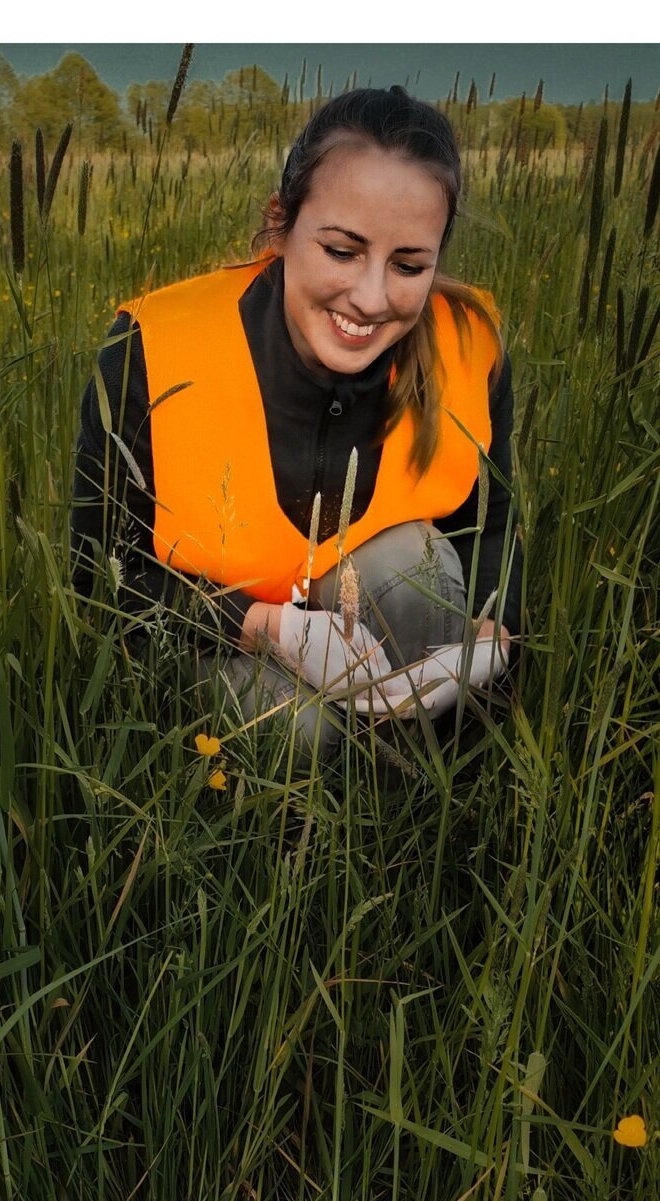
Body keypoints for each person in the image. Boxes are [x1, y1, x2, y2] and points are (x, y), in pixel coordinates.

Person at [70, 86, 520, 755]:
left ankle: (420, 785)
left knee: (416, 564)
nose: (369, 299)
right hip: (209, 638)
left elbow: (489, 531)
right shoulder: (153, 346)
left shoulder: (470, 344)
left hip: (382, 634)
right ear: (280, 225)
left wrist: (489, 649)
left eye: (408, 265)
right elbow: (99, 571)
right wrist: (267, 628)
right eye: (341, 250)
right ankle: (293, 832)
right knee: (304, 732)